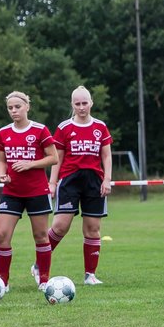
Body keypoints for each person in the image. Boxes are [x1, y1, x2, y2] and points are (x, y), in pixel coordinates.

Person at [0, 91, 59, 292]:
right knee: (2, 234)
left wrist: (30, 164)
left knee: (40, 235)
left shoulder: (40, 130)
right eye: (10, 108)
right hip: (11, 192)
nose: (14, 111)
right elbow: (1, 161)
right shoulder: (3, 132)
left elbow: (54, 158)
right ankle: (2, 282)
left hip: (37, 191)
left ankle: (44, 280)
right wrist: (1, 174)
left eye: (17, 107)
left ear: (27, 107)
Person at [48, 86, 114, 285]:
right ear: (72, 105)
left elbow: (106, 155)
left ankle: (90, 275)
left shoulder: (100, 127)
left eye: (85, 103)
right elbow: (57, 158)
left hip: (94, 181)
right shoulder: (64, 127)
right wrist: (52, 182)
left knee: (93, 228)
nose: (81, 107)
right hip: (69, 181)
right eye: (77, 104)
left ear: (91, 103)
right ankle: (39, 264)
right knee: (60, 226)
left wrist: (107, 179)